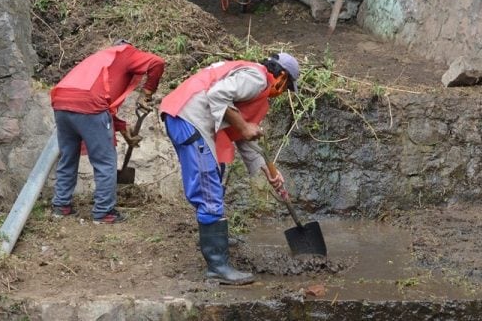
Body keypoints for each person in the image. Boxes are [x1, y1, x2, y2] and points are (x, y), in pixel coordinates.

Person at [159, 52, 300, 285]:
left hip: (184, 116)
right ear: (281, 76)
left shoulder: (255, 89)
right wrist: (244, 126)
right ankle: (217, 266)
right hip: (189, 118)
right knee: (208, 189)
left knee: (214, 178)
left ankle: (216, 241)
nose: (282, 93)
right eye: (286, 87)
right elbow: (218, 94)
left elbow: (242, 136)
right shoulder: (257, 78)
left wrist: (267, 171)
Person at [51, 39, 164, 224]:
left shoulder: (99, 59)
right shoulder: (126, 53)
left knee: (67, 156)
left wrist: (121, 128)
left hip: (61, 101)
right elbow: (157, 63)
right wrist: (147, 93)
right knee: (105, 161)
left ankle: (61, 205)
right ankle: (104, 212)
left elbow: (95, 100)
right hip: (89, 105)